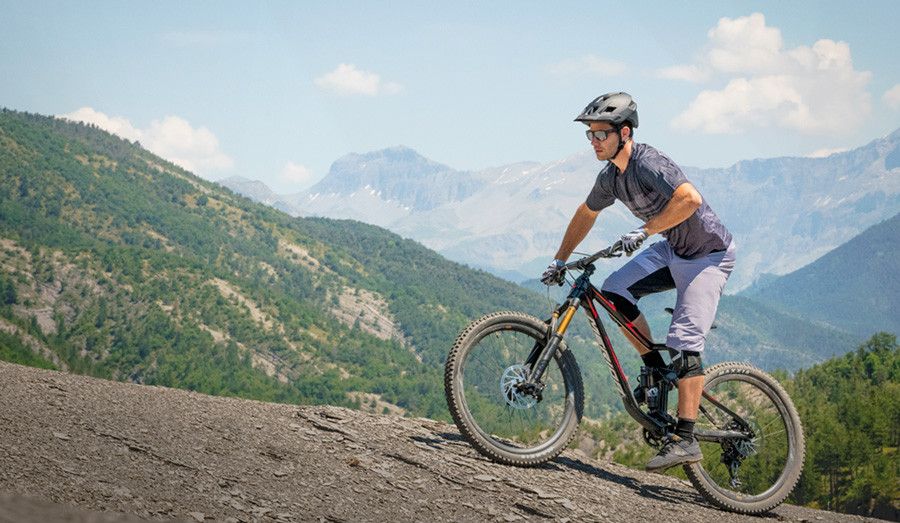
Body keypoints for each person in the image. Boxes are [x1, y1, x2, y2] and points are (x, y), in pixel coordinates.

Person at [540, 92, 735, 472]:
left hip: (708, 256)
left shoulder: (649, 162)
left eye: (600, 135)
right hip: (673, 249)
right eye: (590, 136)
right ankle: (655, 364)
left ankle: (686, 439)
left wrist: (644, 231)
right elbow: (586, 213)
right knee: (613, 293)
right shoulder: (611, 177)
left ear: (624, 132)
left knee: (684, 344)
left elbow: (690, 200)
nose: (594, 142)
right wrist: (560, 259)